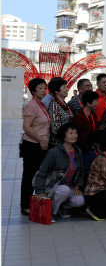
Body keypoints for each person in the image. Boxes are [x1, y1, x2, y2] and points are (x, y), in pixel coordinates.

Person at [33, 123, 85, 220]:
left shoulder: (78, 151)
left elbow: (81, 171)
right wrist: (39, 192)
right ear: (63, 135)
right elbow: (42, 172)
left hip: (70, 187)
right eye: (70, 133)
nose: (74, 136)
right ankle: (50, 212)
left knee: (79, 201)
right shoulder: (54, 152)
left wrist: (77, 186)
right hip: (53, 187)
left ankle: (63, 208)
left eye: (75, 133)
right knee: (63, 190)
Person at [21, 78, 51, 215]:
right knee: (29, 176)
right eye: (40, 88)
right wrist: (41, 140)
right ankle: (25, 205)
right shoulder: (32, 105)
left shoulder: (41, 105)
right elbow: (26, 127)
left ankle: (36, 202)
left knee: (38, 175)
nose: (43, 90)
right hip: (32, 145)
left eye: (45, 88)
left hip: (41, 145)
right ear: (33, 91)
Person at [47, 77, 74, 147]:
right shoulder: (54, 105)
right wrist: (66, 137)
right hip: (58, 143)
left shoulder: (65, 103)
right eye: (64, 87)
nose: (67, 89)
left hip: (67, 141)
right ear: (56, 91)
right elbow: (55, 127)